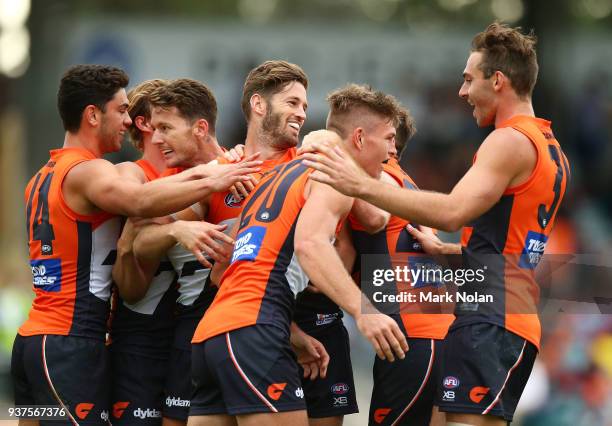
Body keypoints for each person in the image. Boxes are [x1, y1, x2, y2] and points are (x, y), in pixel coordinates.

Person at [301, 23, 570, 426]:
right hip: (502, 314)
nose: (462, 92)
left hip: (489, 319)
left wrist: (357, 183)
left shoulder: (509, 140)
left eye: (468, 79)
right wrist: (450, 250)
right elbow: (514, 246)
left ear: (497, 81)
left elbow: (450, 212)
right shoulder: (552, 149)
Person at [11, 64, 259, 425]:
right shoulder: (91, 172)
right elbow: (141, 201)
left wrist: (217, 164)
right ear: (92, 115)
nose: (129, 121)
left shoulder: (42, 175)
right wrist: (215, 174)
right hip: (70, 340)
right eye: (123, 111)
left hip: (35, 341)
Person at [187, 84, 408, 426]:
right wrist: (364, 312)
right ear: (360, 139)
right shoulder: (330, 174)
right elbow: (312, 244)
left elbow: (224, 273)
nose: (393, 152)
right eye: (389, 140)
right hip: (256, 330)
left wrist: (291, 332)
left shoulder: (275, 177)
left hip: (211, 336)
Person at [345, 106, 454, 426]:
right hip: (437, 334)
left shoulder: (380, 183)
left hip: (410, 337)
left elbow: (362, 232)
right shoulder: (408, 186)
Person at [108, 78, 183, 426]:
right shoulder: (130, 173)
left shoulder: (195, 173)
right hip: (139, 337)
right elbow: (140, 201)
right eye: (168, 120)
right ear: (145, 123)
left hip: (187, 335)